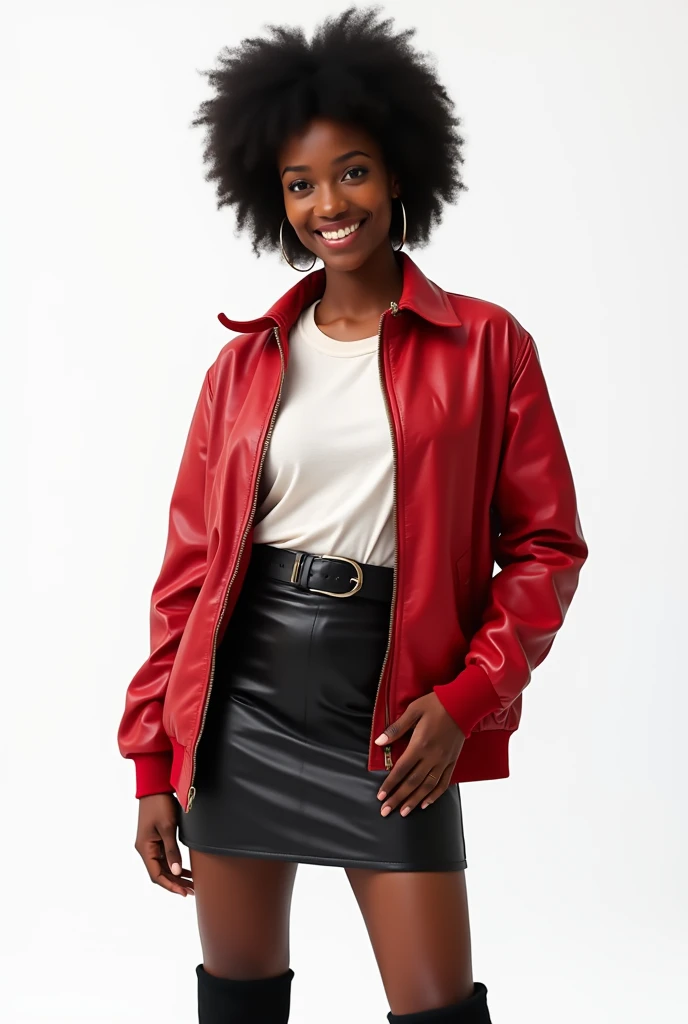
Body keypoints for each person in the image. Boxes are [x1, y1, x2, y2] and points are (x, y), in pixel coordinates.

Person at [116, 7, 588, 1023]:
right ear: (271, 197)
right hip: (241, 703)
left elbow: (546, 547)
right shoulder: (242, 368)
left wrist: (466, 698)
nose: (328, 202)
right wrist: (156, 758)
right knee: (238, 1003)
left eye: (352, 171)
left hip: (392, 707)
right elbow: (189, 580)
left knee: (437, 1005)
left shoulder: (488, 348)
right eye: (300, 183)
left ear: (401, 172)